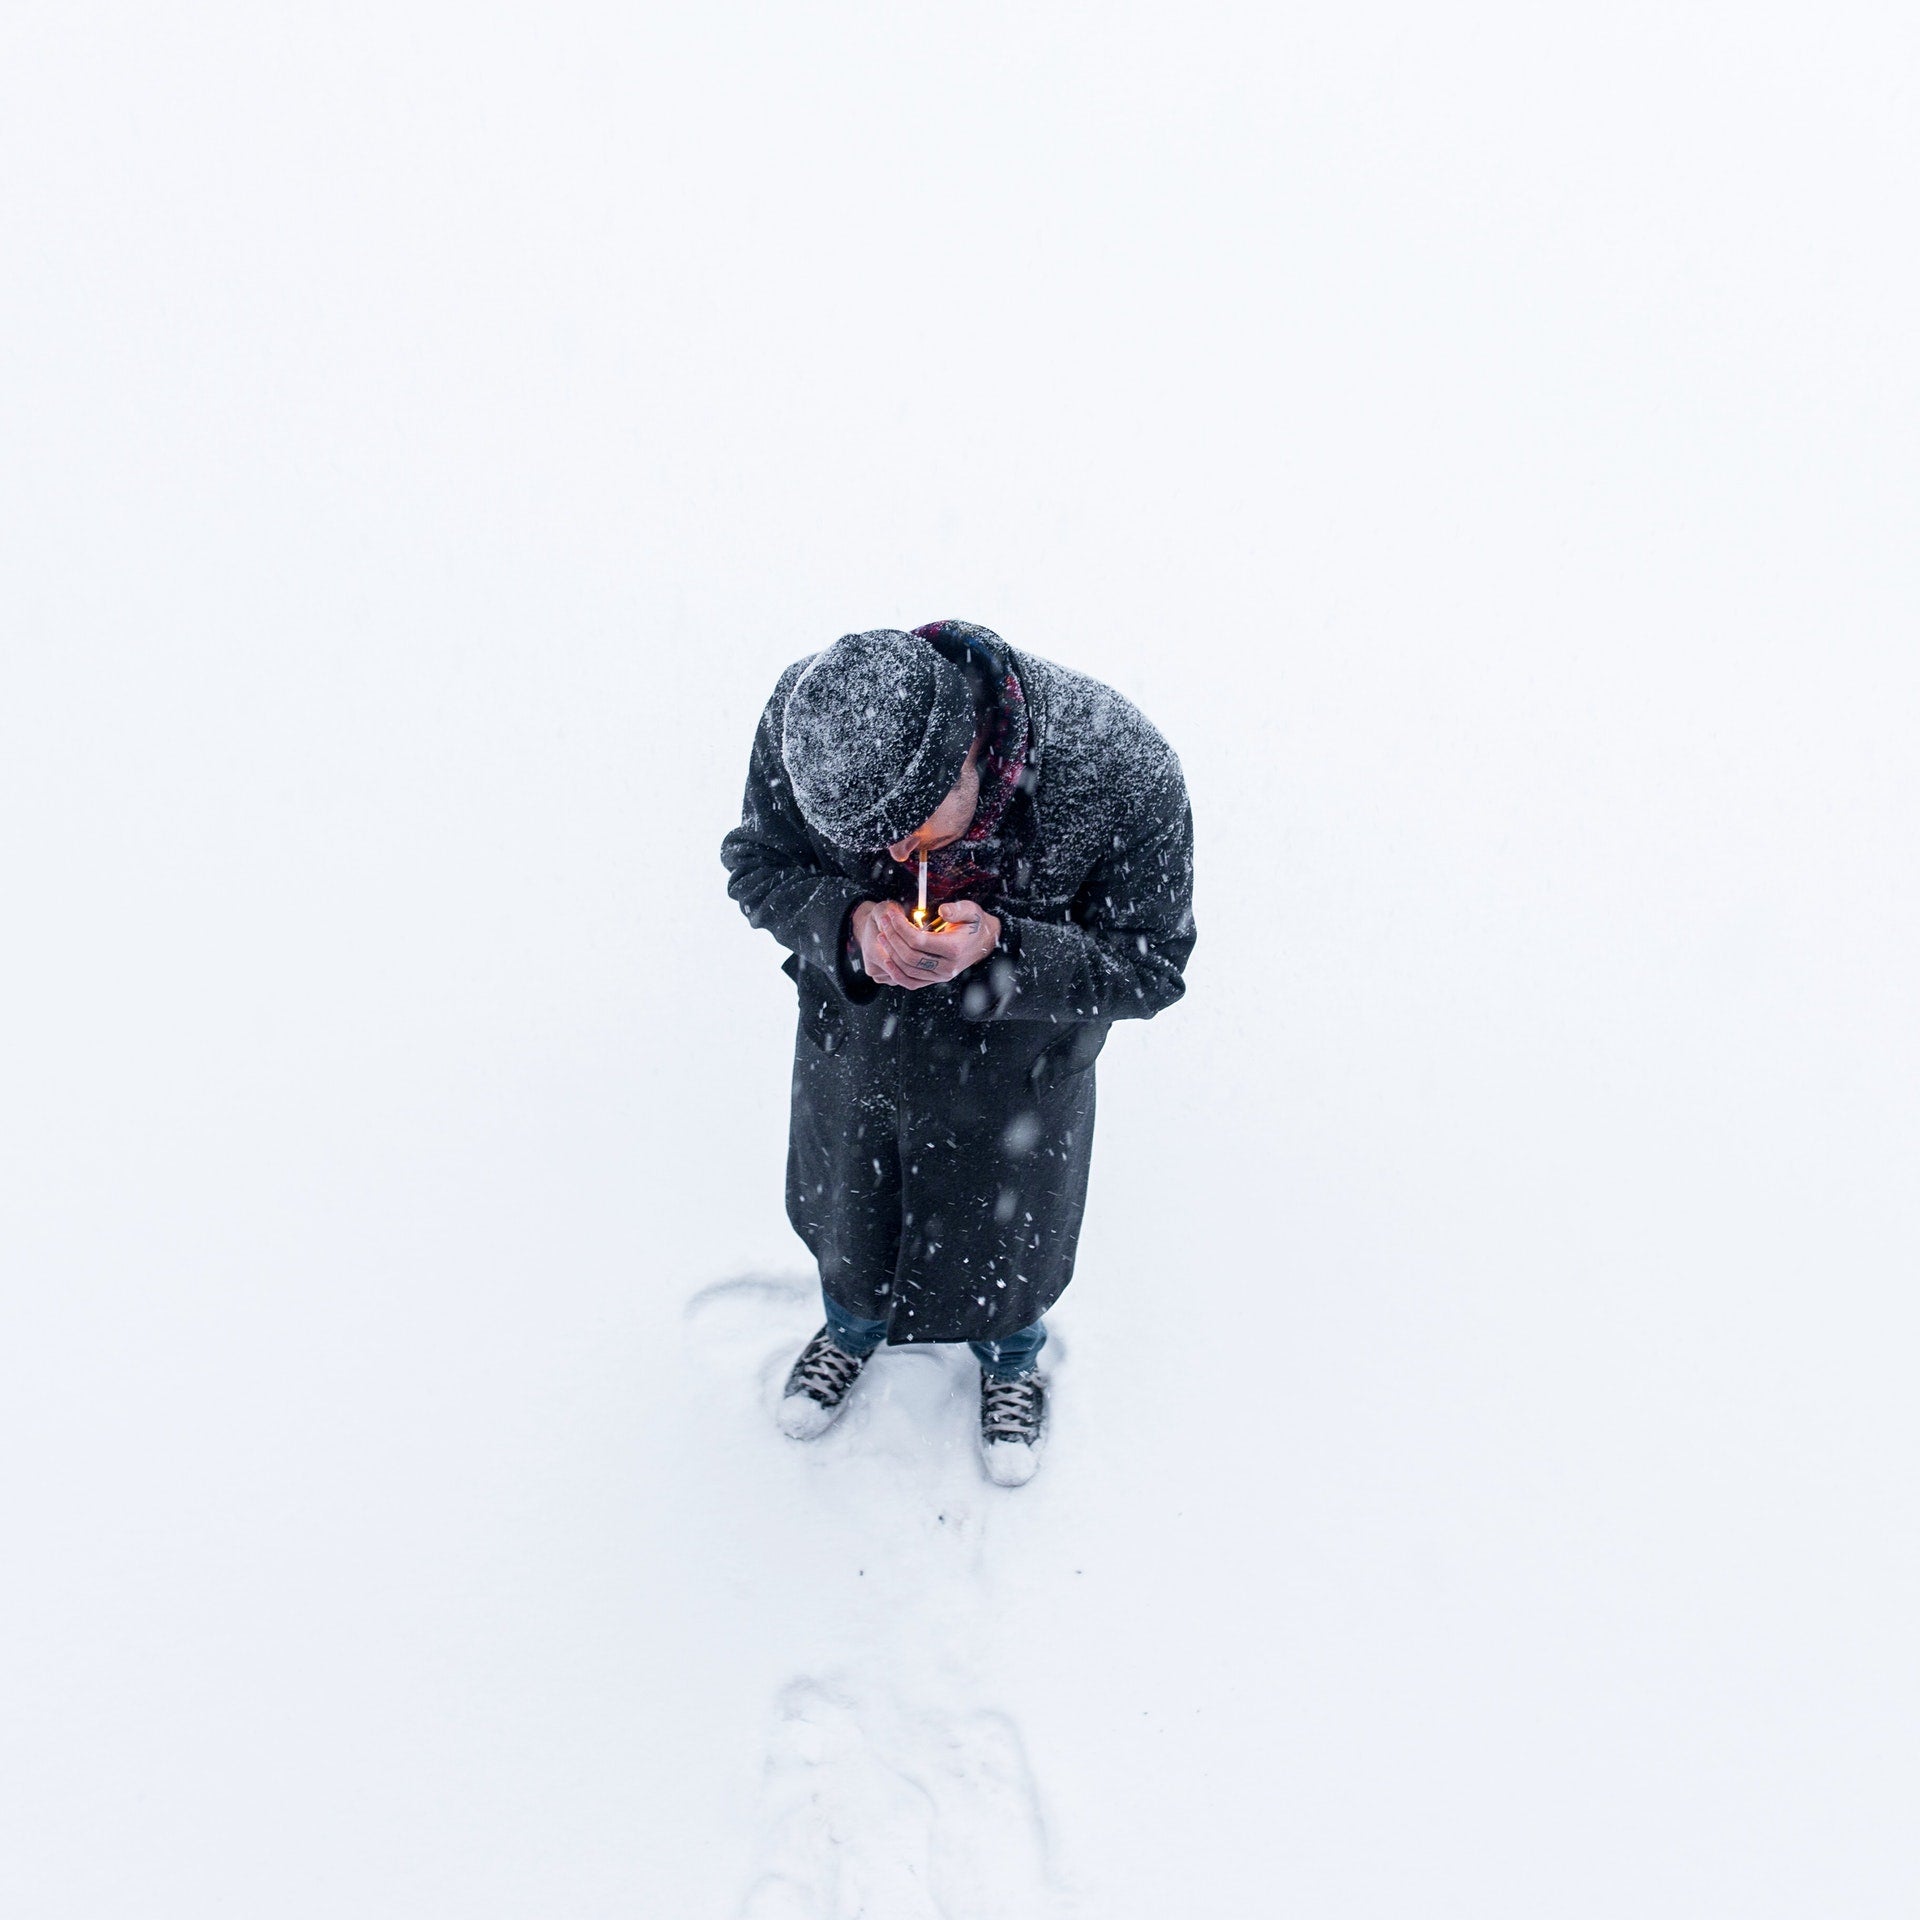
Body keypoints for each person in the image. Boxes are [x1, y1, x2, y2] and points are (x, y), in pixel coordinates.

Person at [720, 622, 1195, 1486]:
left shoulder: (1121, 767)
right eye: (868, 841)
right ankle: (850, 1330)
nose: (895, 858)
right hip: (858, 1062)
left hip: (1018, 1089)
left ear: (970, 750)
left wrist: (1006, 952)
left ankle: (1012, 1364)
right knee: (853, 1236)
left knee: (1006, 1263)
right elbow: (757, 864)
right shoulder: (810, 718)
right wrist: (847, 922)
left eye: (908, 830)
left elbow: (1152, 966)